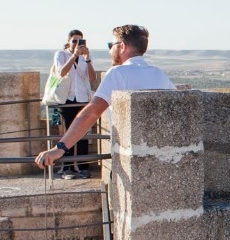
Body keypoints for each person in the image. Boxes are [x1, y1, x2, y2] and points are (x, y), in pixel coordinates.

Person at [34, 24, 174, 172]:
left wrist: (59, 148)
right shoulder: (160, 74)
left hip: (129, 159)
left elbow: (92, 112)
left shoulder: (117, 73)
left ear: (122, 46)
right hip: (161, 159)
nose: (109, 50)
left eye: (110, 45)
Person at [50, 29, 101, 179]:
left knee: (83, 134)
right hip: (67, 99)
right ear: (68, 42)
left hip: (83, 99)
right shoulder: (61, 55)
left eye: (80, 41)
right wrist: (74, 55)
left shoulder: (85, 58)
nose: (77, 44)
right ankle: (67, 168)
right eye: (74, 41)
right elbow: (62, 72)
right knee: (67, 133)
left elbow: (92, 78)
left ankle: (83, 167)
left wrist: (88, 59)